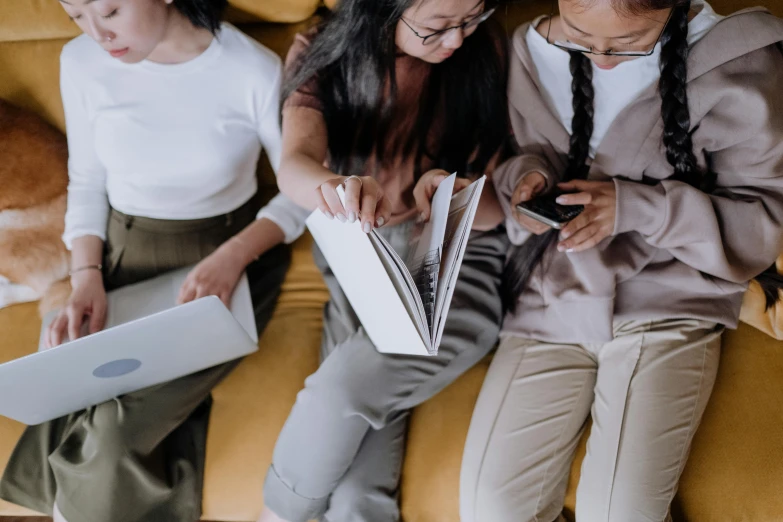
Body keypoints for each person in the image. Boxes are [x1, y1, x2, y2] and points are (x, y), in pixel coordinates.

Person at [459, 1, 783, 521]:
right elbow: (511, 157)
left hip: (669, 303)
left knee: (619, 513)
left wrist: (635, 207)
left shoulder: (738, 61)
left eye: (629, 44)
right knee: (490, 510)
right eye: (580, 37)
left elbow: (761, 217)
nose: (602, 59)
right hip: (551, 300)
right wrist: (526, 179)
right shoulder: (525, 50)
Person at [0, 0, 308, 520]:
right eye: (76, 17)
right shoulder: (80, 63)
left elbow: (300, 194)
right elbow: (88, 181)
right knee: (68, 391)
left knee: (113, 434)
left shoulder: (249, 68)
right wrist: (85, 277)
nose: (98, 33)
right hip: (118, 254)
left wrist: (233, 259)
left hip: (224, 259)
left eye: (111, 11)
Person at [256, 0, 509, 520]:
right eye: (438, 26)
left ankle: (278, 514)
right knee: (354, 498)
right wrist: (336, 188)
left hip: (457, 264)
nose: (458, 39)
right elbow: (294, 165)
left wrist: (448, 192)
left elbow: (495, 211)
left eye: (472, 18)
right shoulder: (322, 51)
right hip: (362, 257)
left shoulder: (486, 51)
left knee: (339, 391)